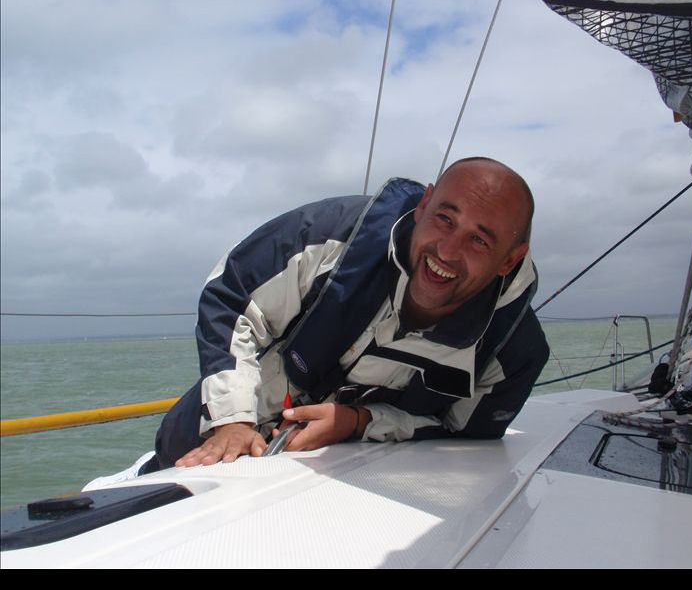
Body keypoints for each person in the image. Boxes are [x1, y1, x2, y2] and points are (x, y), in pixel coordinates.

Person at [86, 157, 550, 487]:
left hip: (342, 490)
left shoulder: (512, 354)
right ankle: (143, 472)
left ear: (511, 260)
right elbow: (232, 297)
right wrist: (233, 422)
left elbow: (464, 437)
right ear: (424, 203)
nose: (447, 251)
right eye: (445, 219)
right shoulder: (329, 236)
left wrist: (357, 422)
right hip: (206, 447)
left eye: (479, 241)